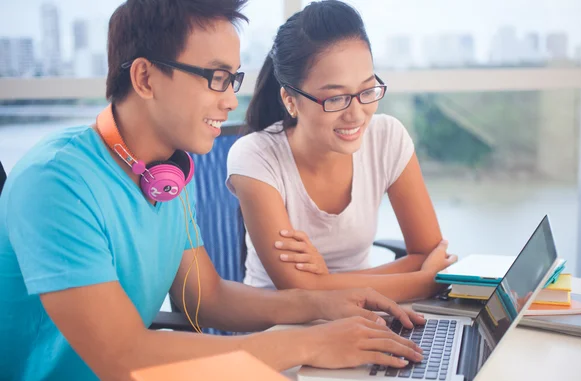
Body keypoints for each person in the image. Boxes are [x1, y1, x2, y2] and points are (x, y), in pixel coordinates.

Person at [0, 1, 427, 380]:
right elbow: (121, 357)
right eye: (216, 78)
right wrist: (313, 343)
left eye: (233, 79)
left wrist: (322, 304)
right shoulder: (56, 181)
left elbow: (205, 298)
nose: (229, 101)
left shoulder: (165, 173)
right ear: (146, 77)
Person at [227, 0, 457, 301]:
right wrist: (422, 281)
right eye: (335, 99)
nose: (357, 114)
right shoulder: (255, 156)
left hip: (367, 316)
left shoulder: (387, 138)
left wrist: (325, 281)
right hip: (279, 328)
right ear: (291, 100)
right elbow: (297, 290)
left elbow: (430, 254)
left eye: (367, 90)